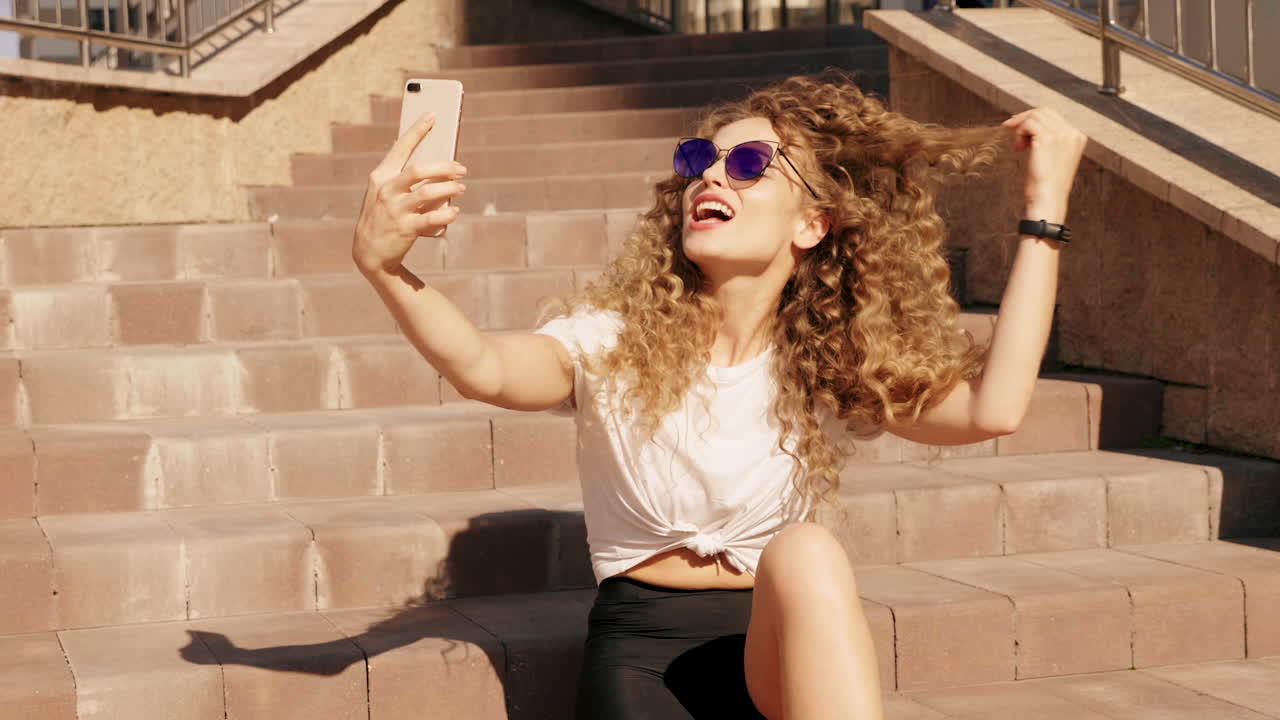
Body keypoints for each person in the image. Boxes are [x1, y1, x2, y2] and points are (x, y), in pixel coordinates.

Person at [352, 69, 1087, 720]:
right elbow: (485, 366)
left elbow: (996, 409)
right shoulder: (614, 340)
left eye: (747, 165)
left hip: (778, 653)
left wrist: (1043, 208)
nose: (711, 179)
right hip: (642, 651)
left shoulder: (826, 361)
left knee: (804, 552)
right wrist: (386, 270)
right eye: (699, 161)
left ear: (811, 222)